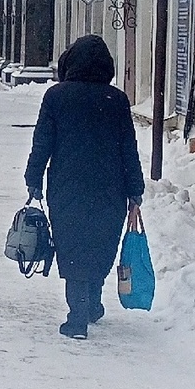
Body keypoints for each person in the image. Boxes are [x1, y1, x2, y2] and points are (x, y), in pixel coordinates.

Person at [23, 34, 144, 339]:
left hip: (67, 186)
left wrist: (33, 177)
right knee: (100, 243)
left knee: (73, 244)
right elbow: (128, 146)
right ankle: (92, 303)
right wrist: (135, 189)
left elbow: (43, 142)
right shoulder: (116, 100)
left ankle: (77, 315)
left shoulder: (56, 97)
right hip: (109, 188)